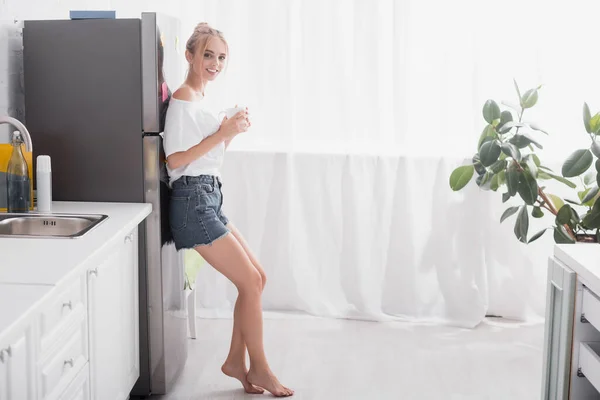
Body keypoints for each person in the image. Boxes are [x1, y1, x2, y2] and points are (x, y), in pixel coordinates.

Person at [163, 22, 294, 397]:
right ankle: (262, 369)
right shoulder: (184, 98)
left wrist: (229, 134)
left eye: (221, 57)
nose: (215, 63)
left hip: (207, 195)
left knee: (258, 278)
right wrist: (221, 134)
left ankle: (237, 361)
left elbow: (205, 159)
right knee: (251, 282)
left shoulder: (199, 99)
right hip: (192, 201)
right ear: (189, 55)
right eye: (208, 55)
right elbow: (175, 162)